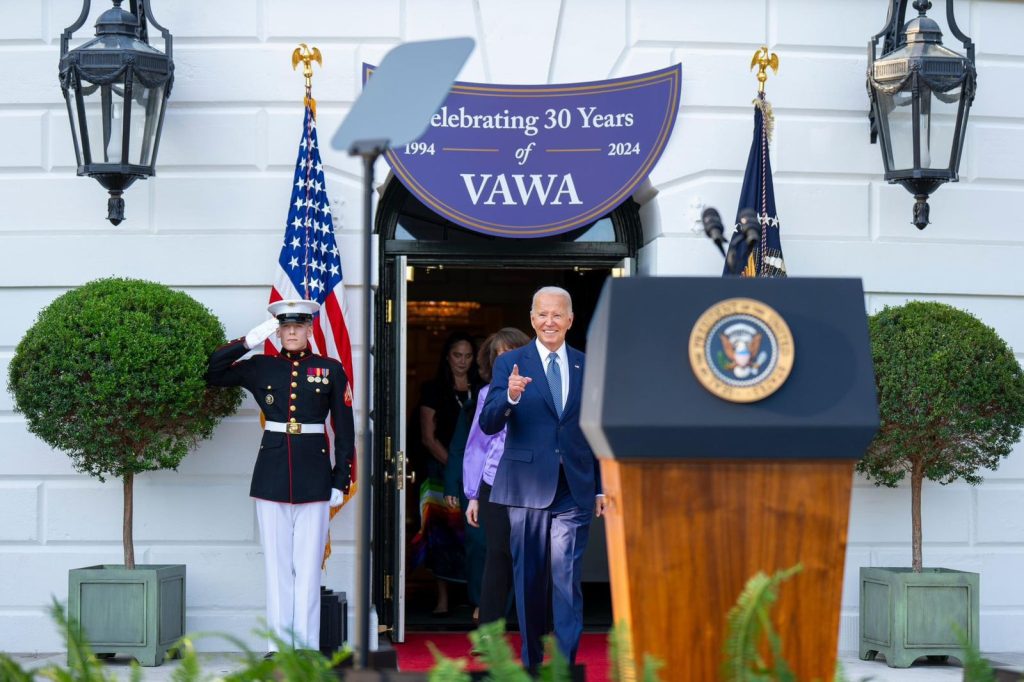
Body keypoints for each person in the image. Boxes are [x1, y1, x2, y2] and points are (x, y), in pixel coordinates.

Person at [205, 299, 354, 655]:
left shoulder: (330, 370)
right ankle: (278, 644)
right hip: (272, 474)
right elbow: (212, 372)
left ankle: (305, 645)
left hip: (315, 475)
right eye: (284, 327)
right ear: (276, 329)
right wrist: (248, 341)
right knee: (276, 566)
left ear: (309, 329)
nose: (291, 333)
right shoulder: (260, 367)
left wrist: (340, 478)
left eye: (298, 327)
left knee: (307, 567)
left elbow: (344, 430)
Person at [479, 286, 607, 671]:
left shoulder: (588, 364)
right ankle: (533, 664)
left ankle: (565, 667)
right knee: (530, 580)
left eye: (557, 315)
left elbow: (594, 428)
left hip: (574, 487)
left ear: (570, 320)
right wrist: (511, 397)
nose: (549, 321)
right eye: (542, 314)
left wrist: (600, 485)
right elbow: (487, 423)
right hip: (526, 488)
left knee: (566, 580)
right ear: (532, 318)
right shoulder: (511, 363)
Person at [462, 327, 531, 627]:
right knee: (498, 555)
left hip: (534, 483)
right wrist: (472, 494)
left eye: (512, 354)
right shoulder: (486, 395)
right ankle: (489, 632)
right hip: (494, 482)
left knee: (536, 557)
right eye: (500, 356)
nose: (507, 361)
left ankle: (541, 632)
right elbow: (477, 445)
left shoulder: (542, 389)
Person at [415, 332, 479, 615]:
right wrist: (457, 468)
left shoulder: (483, 388)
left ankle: (474, 595)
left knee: (473, 534)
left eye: (468, 356)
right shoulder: (433, 389)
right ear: (447, 357)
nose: (462, 362)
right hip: (440, 469)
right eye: (457, 355)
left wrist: (470, 470)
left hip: (478, 473)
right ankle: (442, 599)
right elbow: (428, 438)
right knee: (441, 535)